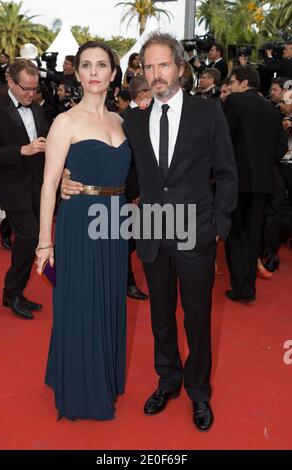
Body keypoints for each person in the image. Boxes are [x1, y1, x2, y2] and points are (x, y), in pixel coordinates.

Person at [62, 33, 238, 431]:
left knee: (197, 318)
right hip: (152, 234)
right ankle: (168, 380)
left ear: (180, 67)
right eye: (149, 67)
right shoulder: (135, 118)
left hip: (197, 234)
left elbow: (227, 174)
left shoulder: (207, 113)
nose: (156, 75)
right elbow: (120, 172)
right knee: (161, 317)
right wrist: (71, 180)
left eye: (163, 65)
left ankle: (198, 391)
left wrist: (219, 227)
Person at [36, 41, 131, 421]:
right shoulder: (66, 121)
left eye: (102, 65)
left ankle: (103, 376)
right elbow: (49, 184)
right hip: (79, 222)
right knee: (80, 301)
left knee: (107, 299)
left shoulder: (122, 121)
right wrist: (45, 242)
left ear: (112, 73)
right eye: (87, 65)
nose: (94, 72)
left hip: (115, 222)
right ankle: (80, 388)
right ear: (77, 74)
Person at [223, 65, 288, 302]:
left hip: (236, 181)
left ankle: (241, 289)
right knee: (252, 237)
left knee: (236, 235)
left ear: (243, 82)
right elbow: (281, 147)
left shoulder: (234, 102)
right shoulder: (272, 110)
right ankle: (248, 288)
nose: (229, 87)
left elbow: (224, 139)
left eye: (231, 82)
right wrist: (263, 164)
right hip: (261, 183)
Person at [0, 59, 48, 320]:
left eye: (34, 89)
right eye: (25, 89)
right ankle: (12, 291)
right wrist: (21, 150)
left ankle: (13, 292)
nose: (31, 94)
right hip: (12, 187)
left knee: (32, 240)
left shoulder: (36, 108)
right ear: (11, 82)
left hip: (38, 185)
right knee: (29, 237)